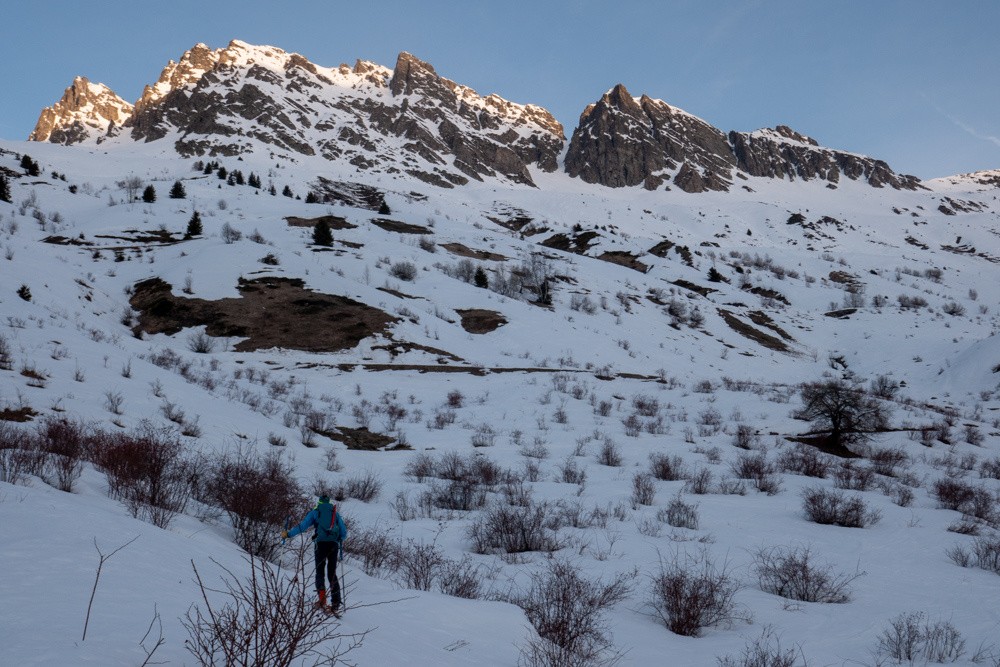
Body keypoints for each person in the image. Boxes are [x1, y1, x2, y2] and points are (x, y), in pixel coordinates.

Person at [282, 494, 347, 615]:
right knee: (332, 573)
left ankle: (322, 600)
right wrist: (339, 538)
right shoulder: (335, 513)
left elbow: (303, 526)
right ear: (329, 502)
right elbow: (343, 532)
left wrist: (289, 534)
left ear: (319, 502)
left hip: (321, 544)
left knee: (320, 571)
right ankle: (336, 602)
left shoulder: (315, 512)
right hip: (333, 544)